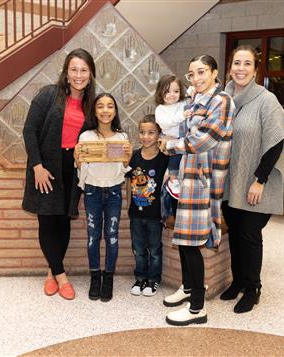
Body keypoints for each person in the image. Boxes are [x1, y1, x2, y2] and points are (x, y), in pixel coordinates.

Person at [220, 44, 284, 313]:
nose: (241, 69)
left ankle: (253, 288)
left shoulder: (266, 100)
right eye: (236, 63)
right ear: (229, 67)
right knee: (235, 233)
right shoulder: (223, 97)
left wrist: (259, 180)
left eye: (247, 64)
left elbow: (276, 143)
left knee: (249, 234)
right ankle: (238, 280)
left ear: (255, 69)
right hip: (231, 181)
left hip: (258, 181)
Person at [158, 55, 234, 326]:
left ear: (214, 73)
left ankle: (197, 308)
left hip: (203, 182)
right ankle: (188, 287)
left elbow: (205, 139)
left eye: (202, 72)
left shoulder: (221, 101)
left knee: (191, 243)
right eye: (192, 74)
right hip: (187, 179)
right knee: (183, 236)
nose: (197, 78)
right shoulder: (196, 99)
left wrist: (171, 145)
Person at [22, 48, 96, 300]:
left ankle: (51, 272)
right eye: (74, 69)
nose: (78, 75)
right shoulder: (48, 95)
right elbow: (29, 131)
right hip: (46, 166)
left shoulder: (91, 104)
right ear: (66, 73)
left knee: (64, 220)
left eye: (84, 70)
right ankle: (62, 276)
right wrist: (37, 167)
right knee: (47, 220)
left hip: (72, 168)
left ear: (90, 74)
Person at [74, 93, 132, 302]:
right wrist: (77, 159)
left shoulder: (121, 137)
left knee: (112, 235)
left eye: (110, 106)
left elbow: (124, 168)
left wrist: (126, 159)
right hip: (92, 191)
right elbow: (82, 168)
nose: (105, 110)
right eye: (100, 106)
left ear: (115, 111)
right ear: (95, 111)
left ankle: (108, 278)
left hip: (114, 191)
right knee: (93, 236)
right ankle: (94, 277)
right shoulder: (86, 137)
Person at [126, 114, 169, 297]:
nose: (146, 136)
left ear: (159, 134)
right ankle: (140, 277)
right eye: (142, 132)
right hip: (136, 213)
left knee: (155, 249)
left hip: (155, 214)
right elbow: (129, 184)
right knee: (138, 248)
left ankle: (153, 279)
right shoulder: (134, 156)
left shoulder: (164, 159)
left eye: (151, 132)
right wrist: (129, 207)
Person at [154, 74, 186, 200]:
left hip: (183, 139)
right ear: (160, 92)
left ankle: (176, 179)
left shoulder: (182, 103)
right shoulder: (160, 109)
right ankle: (173, 180)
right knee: (174, 157)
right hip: (169, 138)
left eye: (176, 91)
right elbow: (165, 123)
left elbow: (191, 96)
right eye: (167, 91)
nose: (172, 95)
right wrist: (182, 116)